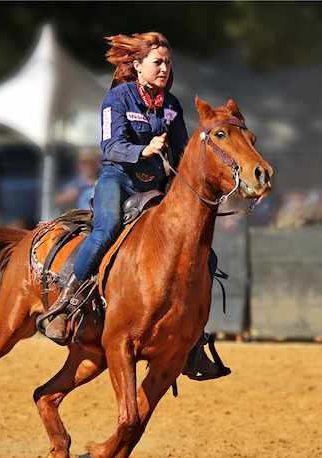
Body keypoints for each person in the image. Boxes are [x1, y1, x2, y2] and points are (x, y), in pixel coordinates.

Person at [41, 31, 230, 380]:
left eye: (168, 62)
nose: (164, 68)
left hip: (156, 187)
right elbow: (111, 147)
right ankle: (64, 304)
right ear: (138, 65)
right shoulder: (117, 98)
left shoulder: (171, 105)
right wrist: (141, 150)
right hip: (119, 179)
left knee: (206, 254)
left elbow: (183, 153)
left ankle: (193, 343)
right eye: (158, 62)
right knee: (106, 228)